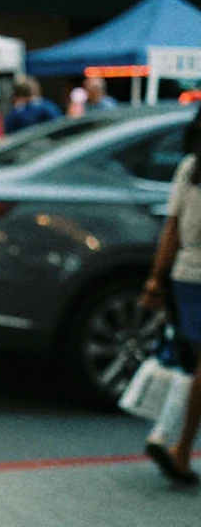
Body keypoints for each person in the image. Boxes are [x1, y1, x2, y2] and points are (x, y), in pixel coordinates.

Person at [141, 106, 201, 485]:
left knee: (192, 364)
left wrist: (156, 279)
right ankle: (177, 446)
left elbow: (172, 230)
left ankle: (168, 438)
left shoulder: (191, 167)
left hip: (186, 275)